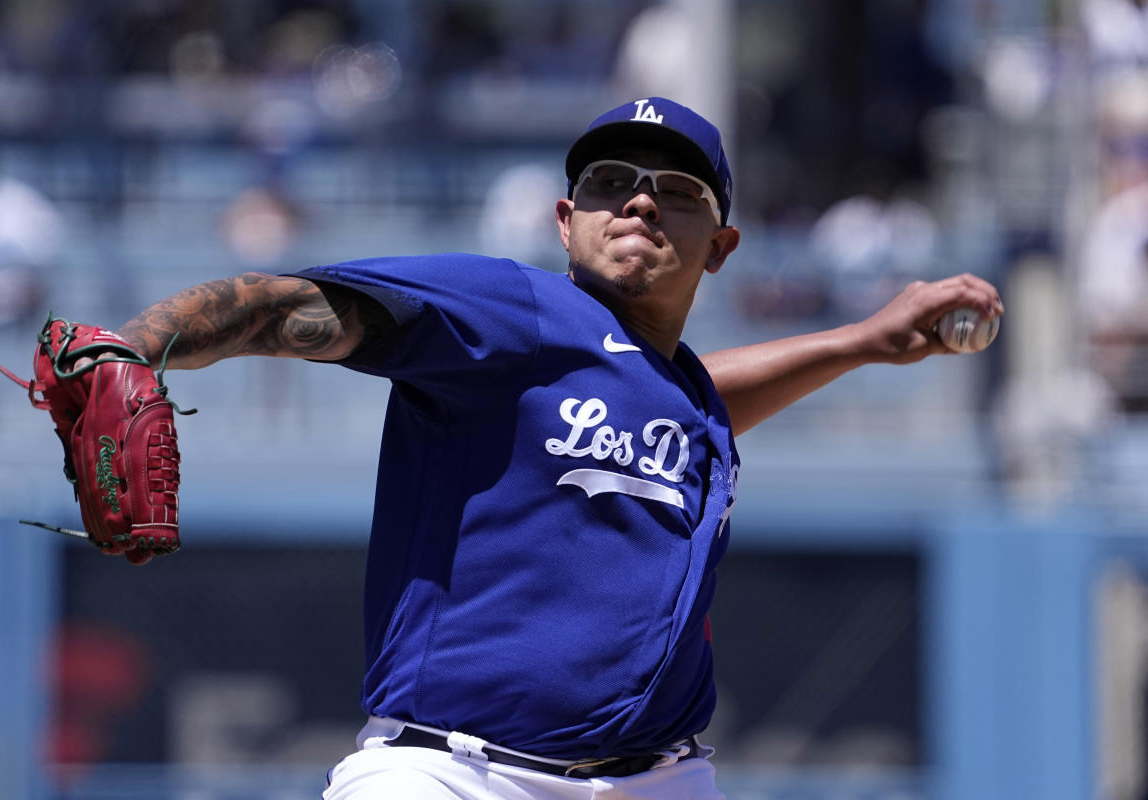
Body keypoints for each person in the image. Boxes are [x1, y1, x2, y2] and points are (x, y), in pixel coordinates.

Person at [93, 97, 1002, 799]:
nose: (640, 199)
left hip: (656, 778)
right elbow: (285, 308)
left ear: (719, 247)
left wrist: (861, 341)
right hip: (456, 774)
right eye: (611, 183)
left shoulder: (672, 393)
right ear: (565, 220)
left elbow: (692, 399)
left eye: (677, 192)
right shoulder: (513, 314)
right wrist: (133, 349)